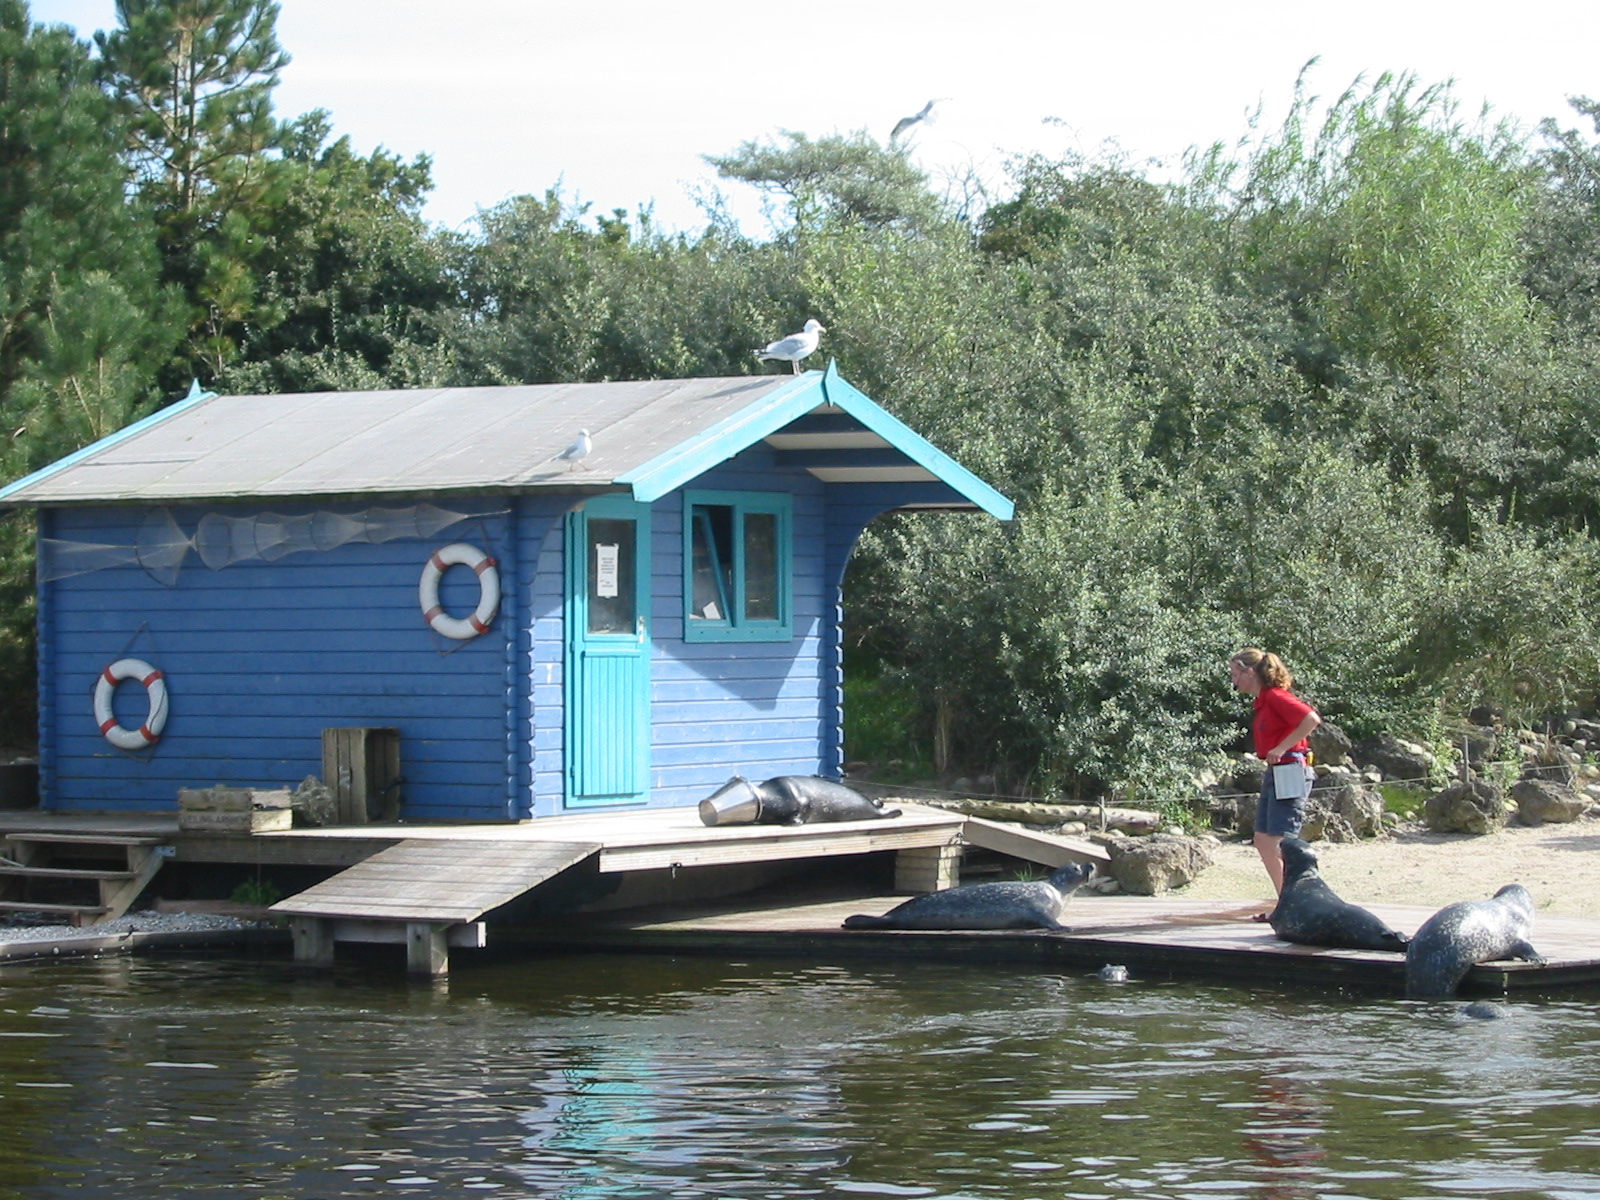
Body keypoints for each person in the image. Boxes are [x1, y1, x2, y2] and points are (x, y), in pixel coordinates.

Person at [1228, 648, 1321, 912]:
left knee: (1283, 841)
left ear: (1249, 672)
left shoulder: (1275, 696)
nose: (1234, 681)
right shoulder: (1263, 701)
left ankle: (1299, 901)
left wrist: (1281, 748)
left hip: (1291, 768)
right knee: (1263, 838)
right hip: (1277, 770)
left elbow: (1310, 719)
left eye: (1235, 674)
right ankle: (1287, 901)